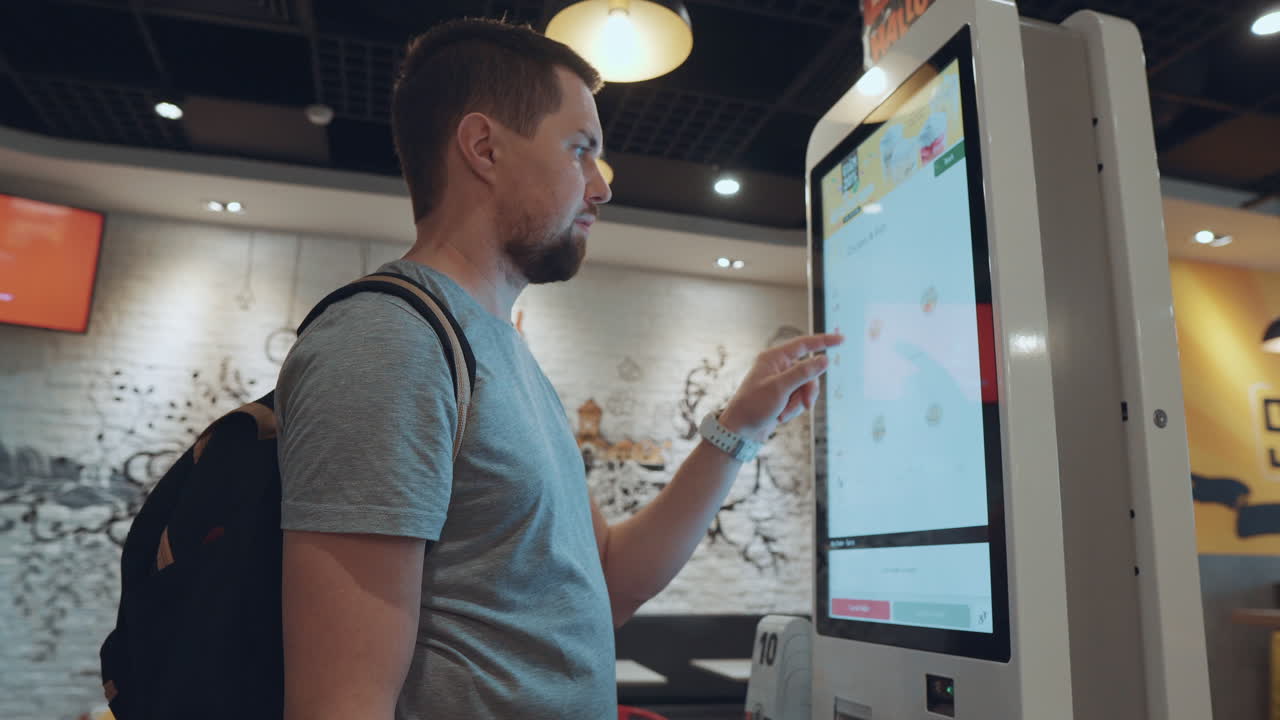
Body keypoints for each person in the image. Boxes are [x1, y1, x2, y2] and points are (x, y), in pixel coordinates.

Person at [274, 17, 843, 720]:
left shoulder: (501, 352)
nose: (600, 187)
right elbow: (340, 703)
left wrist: (740, 427)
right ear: (483, 147)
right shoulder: (388, 342)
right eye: (581, 150)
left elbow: (607, 582)